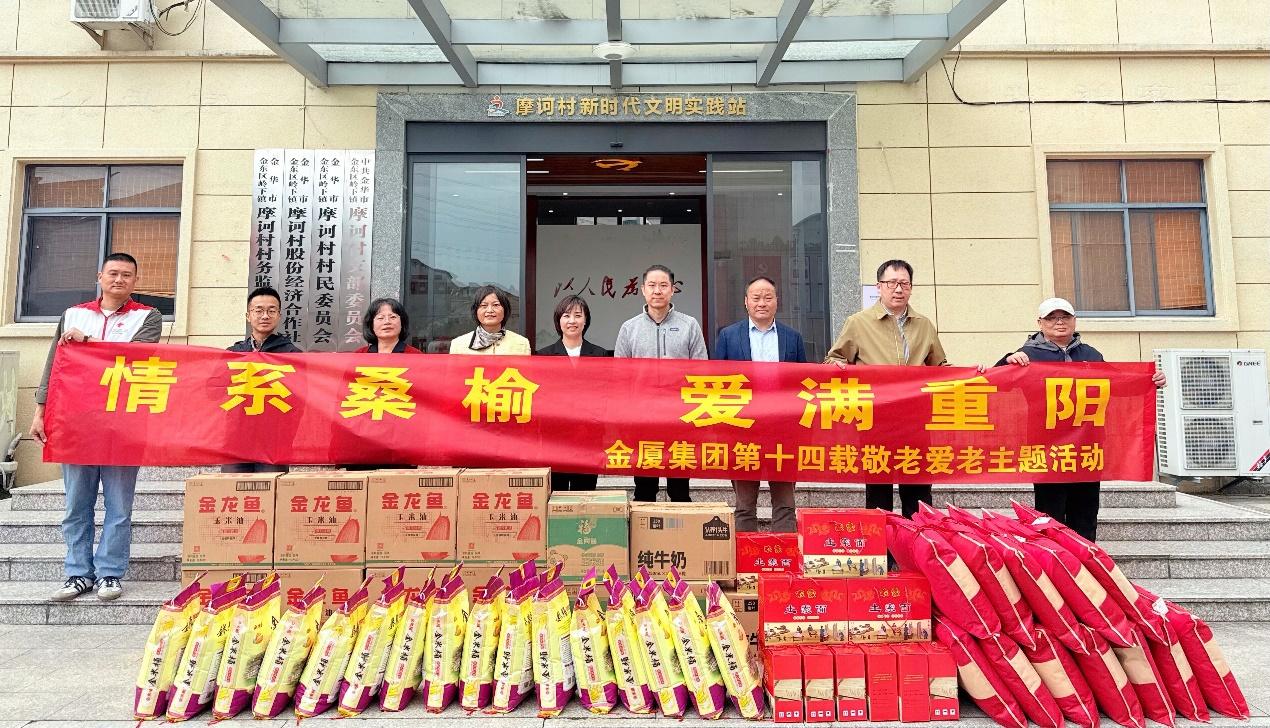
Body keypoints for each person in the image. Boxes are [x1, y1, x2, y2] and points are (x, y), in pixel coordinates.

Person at [29, 253, 163, 603]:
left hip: (124, 424)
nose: (119, 279)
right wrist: (40, 411)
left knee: (119, 506)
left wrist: (87, 343)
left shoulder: (148, 316)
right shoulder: (73, 314)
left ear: (135, 281)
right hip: (76, 422)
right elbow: (54, 364)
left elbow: (137, 356)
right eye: (113, 273)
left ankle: (110, 573)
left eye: (127, 275)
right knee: (76, 504)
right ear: (99, 276)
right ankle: (78, 573)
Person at [996, 297, 1166, 542]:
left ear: (1074, 321)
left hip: (1086, 444)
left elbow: (1118, 383)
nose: (1059, 322)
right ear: (1040, 323)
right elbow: (996, 382)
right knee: (1049, 510)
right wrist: (1007, 360)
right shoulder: (1027, 355)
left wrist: (1150, 382)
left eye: (1065, 317)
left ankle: (1085, 557)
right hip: (1047, 446)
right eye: (1052, 318)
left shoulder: (1090, 354)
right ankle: (1052, 557)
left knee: (1085, 510)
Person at [825, 259, 948, 519]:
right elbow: (834, 359)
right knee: (878, 491)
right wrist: (837, 367)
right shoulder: (858, 323)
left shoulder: (924, 325)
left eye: (904, 283)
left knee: (918, 491)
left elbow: (940, 366)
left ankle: (917, 542)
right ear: (879, 286)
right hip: (875, 419)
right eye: (891, 283)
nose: (898, 289)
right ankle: (881, 543)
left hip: (915, 419)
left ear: (911, 288)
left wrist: (972, 373)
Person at [713, 276, 807, 532]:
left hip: (783, 431)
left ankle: (783, 552)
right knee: (744, 504)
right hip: (742, 430)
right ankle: (746, 553)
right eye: (756, 298)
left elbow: (803, 385)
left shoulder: (793, 338)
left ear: (777, 301)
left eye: (768, 297)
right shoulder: (728, 336)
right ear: (746, 302)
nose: (762, 303)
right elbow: (718, 384)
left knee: (785, 503)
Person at [614, 264, 708, 502]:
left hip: (680, 415)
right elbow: (620, 375)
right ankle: (644, 523)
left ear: (672, 290)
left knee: (680, 487)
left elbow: (702, 370)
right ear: (643, 290)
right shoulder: (629, 328)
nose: (657, 291)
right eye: (652, 285)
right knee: (644, 487)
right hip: (642, 416)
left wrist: (678, 372)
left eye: (663, 285)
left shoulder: (689, 325)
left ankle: (681, 523)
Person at [223, 286, 301, 475]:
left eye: (271, 311)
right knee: (231, 488)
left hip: (274, 441)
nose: (265, 316)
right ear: (248, 316)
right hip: (236, 439)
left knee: (270, 488)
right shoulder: (233, 354)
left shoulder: (293, 355)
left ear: (279, 316)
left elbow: (301, 399)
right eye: (258, 310)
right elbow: (214, 391)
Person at [536, 294, 611, 491]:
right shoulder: (544, 356)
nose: (572, 321)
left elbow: (604, 395)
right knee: (556, 494)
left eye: (578, 315)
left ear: (585, 320)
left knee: (584, 494)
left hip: (588, 439)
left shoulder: (600, 355)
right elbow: (541, 399)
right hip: (555, 440)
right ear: (558, 320)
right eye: (566, 315)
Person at [449, 286, 531, 355]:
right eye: (483, 305)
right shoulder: (458, 345)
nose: (490, 310)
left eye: (496, 305)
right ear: (476, 311)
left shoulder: (522, 343)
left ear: (505, 309)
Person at [355, 297, 423, 354]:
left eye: (393, 317)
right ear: (371, 325)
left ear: (402, 323)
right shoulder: (360, 355)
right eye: (380, 318)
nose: (387, 322)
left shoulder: (415, 355)